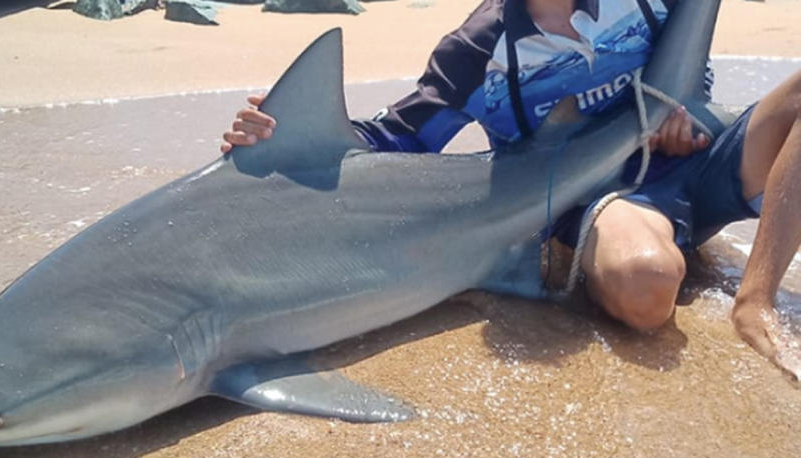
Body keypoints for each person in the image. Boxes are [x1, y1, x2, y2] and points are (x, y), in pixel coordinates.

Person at [221, 0, 801, 378]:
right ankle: (659, 250)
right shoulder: (477, 51)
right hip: (606, 200)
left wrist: (686, 111)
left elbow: (689, 69)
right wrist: (284, 140)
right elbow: (391, 140)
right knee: (646, 287)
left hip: (695, 160)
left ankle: (756, 297)